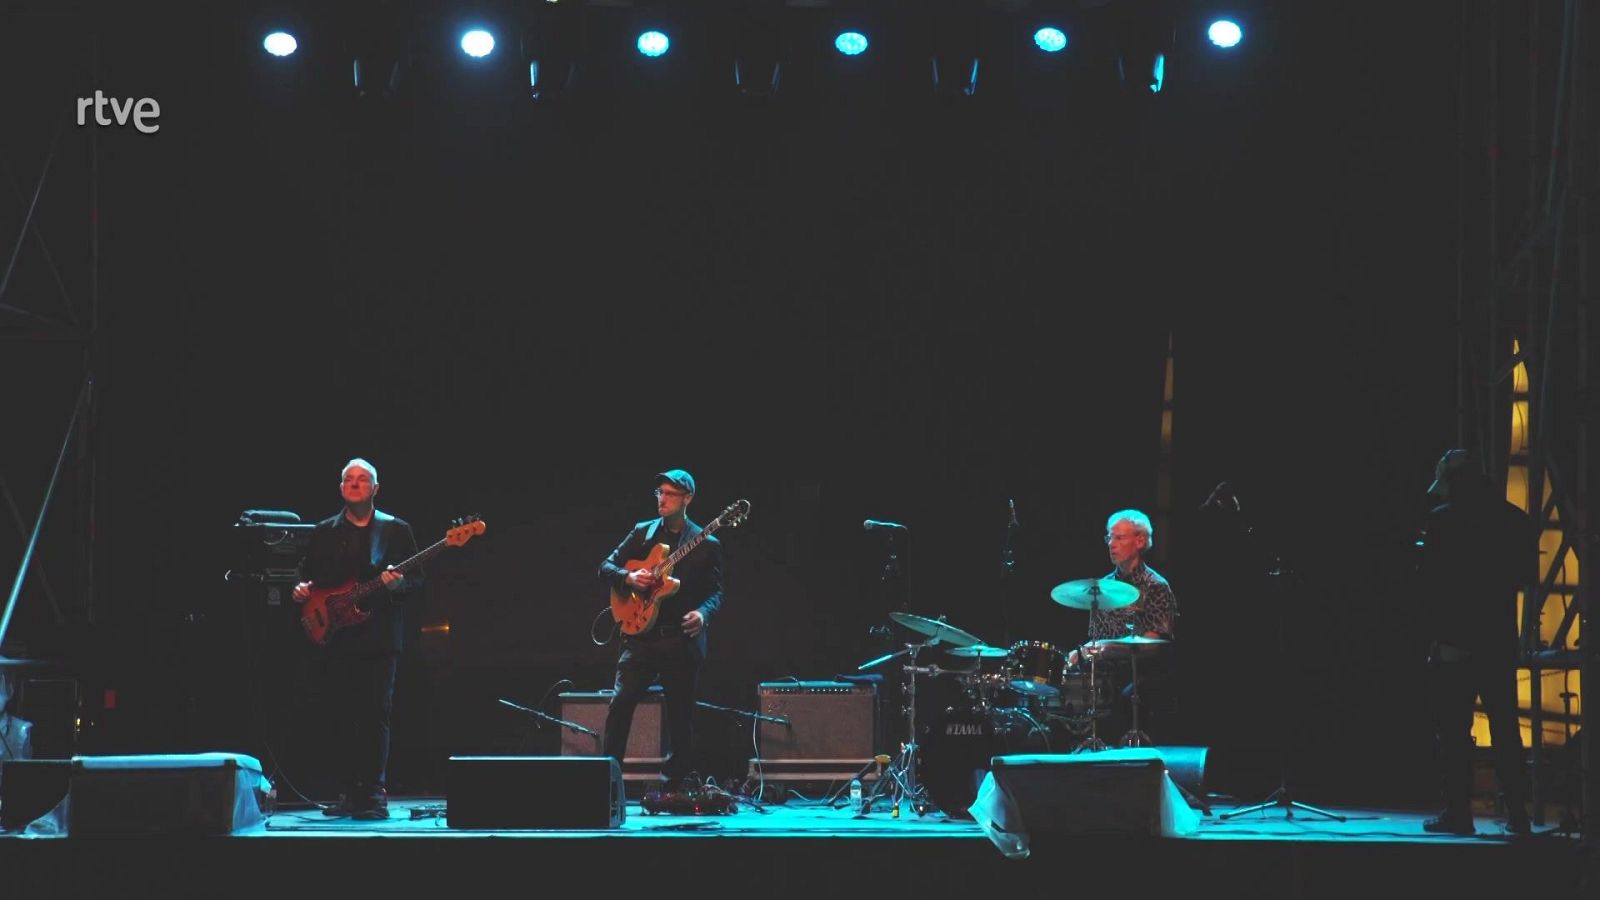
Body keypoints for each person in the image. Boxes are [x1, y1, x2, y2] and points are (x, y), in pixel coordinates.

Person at [292, 457, 423, 820]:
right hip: (336, 635)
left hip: (379, 637)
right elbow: (305, 575)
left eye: (362, 479)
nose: (354, 484)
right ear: (340, 489)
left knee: (375, 714)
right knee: (341, 714)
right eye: (348, 479)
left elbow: (418, 580)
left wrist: (397, 585)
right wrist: (301, 590)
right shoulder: (324, 531)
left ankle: (375, 793)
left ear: (376, 489)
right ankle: (349, 791)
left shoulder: (395, 530)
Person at [1415, 448, 1531, 835]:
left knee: (1454, 734)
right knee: (1506, 732)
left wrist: (1437, 637)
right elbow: (1522, 580)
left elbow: (1431, 588)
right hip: (1498, 642)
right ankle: (1517, 814)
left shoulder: (1442, 521)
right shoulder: (1515, 520)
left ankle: (1459, 814)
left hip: (1455, 643)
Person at [597, 469, 724, 792]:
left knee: (681, 719)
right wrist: (629, 578)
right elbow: (606, 566)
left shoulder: (706, 544)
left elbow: (717, 592)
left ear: (687, 499)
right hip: (640, 638)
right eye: (659, 492)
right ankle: (607, 784)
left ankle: (673, 789)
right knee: (620, 707)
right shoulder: (642, 533)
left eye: (669, 493)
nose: (662, 499)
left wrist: (703, 614)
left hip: (680, 640)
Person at [1067, 509, 1178, 743]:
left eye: (1119, 538)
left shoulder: (1155, 586)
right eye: (1109, 537)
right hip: (1107, 674)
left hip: (1142, 675)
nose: (1111, 544)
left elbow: (1152, 645)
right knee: (1069, 691)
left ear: (1140, 541)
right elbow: (1094, 640)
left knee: (1124, 700)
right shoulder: (1101, 588)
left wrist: (1107, 647)